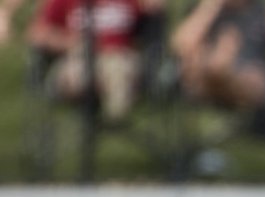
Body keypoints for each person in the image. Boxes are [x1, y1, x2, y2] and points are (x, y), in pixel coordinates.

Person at [25, 0, 164, 121]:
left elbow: (153, 11)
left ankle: (114, 115)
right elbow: (38, 32)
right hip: (80, 57)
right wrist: (69, 42)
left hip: (119, 56)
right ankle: (107, 104)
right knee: (76, 74)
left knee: (118, 67)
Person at [170, 0, 265, 112]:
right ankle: (219, 69)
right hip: (206, 77)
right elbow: (180, 46)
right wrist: (210, 6)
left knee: (237, 70)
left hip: (249, 77)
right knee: (198, 60)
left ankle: (221, 70)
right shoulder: (208, 11)